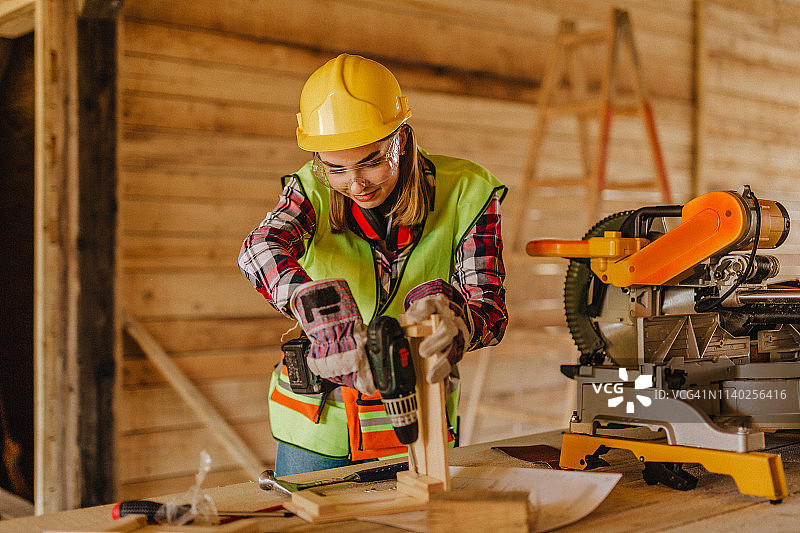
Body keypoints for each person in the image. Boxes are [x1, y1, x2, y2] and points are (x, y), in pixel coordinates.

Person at [238, 53, 508, 476]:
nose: (356, 183)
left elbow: (489, 305)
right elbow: (259, 248)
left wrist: (460, 320)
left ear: (403, 138)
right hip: (317, 429)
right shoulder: (311, 190)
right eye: (336, 168)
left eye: (371, 161)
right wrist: (312, 304)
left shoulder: (468, 192)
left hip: (421, 423)